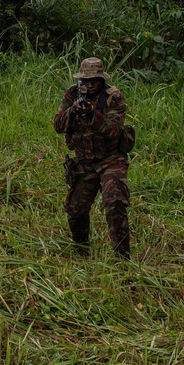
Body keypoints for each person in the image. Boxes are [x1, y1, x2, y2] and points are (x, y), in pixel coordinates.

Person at [54, 57, 132, 260]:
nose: (89, 85)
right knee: (75, 209)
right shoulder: (73, 94)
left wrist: (92, 115)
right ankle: (81, 252)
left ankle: (122, 257)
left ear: (102, 80)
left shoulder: (113, 98)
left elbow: (114, 131)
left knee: (114, 202)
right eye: (86, 81)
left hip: (111, 158)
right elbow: (58, 125)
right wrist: (74, 110)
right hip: (84, 160)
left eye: (94, 81)